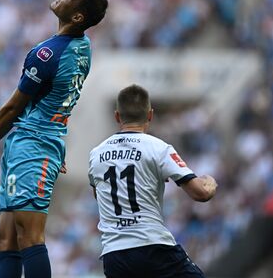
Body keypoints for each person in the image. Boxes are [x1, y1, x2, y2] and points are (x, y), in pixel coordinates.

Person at [0, 0, 108, 278]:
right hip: (34, 142)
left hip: (33, 145)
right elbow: (59, 99)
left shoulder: (47, 54)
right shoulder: (83, 46)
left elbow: (12, 107)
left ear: (78, 17)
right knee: (6, 238)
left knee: (30, 236)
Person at [88, 84, 218, 278]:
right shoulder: (158, 148)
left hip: (114, 256)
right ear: (150, 115)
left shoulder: (96, 154)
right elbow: (201, 193)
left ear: (117, 116)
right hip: (152, 246)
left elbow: (101, 196)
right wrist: (210, 181)